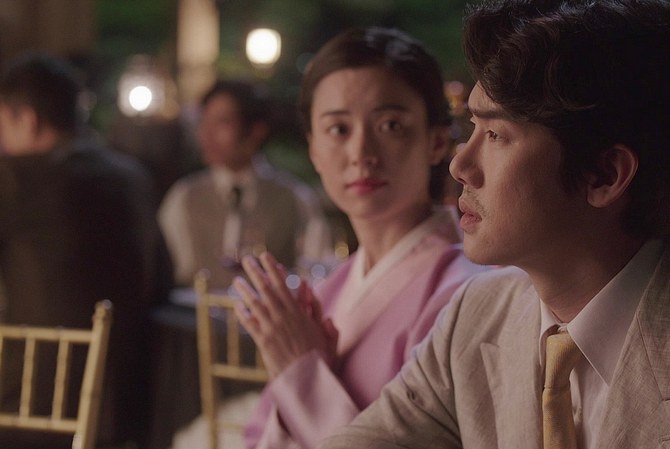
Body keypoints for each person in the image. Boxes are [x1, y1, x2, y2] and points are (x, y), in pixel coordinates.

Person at [318, 1, 670, 448]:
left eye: (496, 135)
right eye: (470, 128)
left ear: (605, 175)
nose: (460, 165)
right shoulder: (477, 317)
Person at [170, 27, 487, 449]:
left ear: (436, 141)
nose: (361, 152)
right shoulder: (329, 291)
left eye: (390, 125)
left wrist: (302, 372)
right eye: (338, 129)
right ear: (314, 149)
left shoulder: (466, 291)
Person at [0, 53, 162, 448]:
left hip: (31, 406)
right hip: (126, 406)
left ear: (28, 120)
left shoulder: (15, 180)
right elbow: (160, 279)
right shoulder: (133, 177)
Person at [158, 79, 333, 291]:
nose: (206, 134)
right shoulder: (185, 196)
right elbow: (171, 272)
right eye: (204, 122)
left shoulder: (294, 197)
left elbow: (317, 270)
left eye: (222, 122)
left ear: (256, 131)